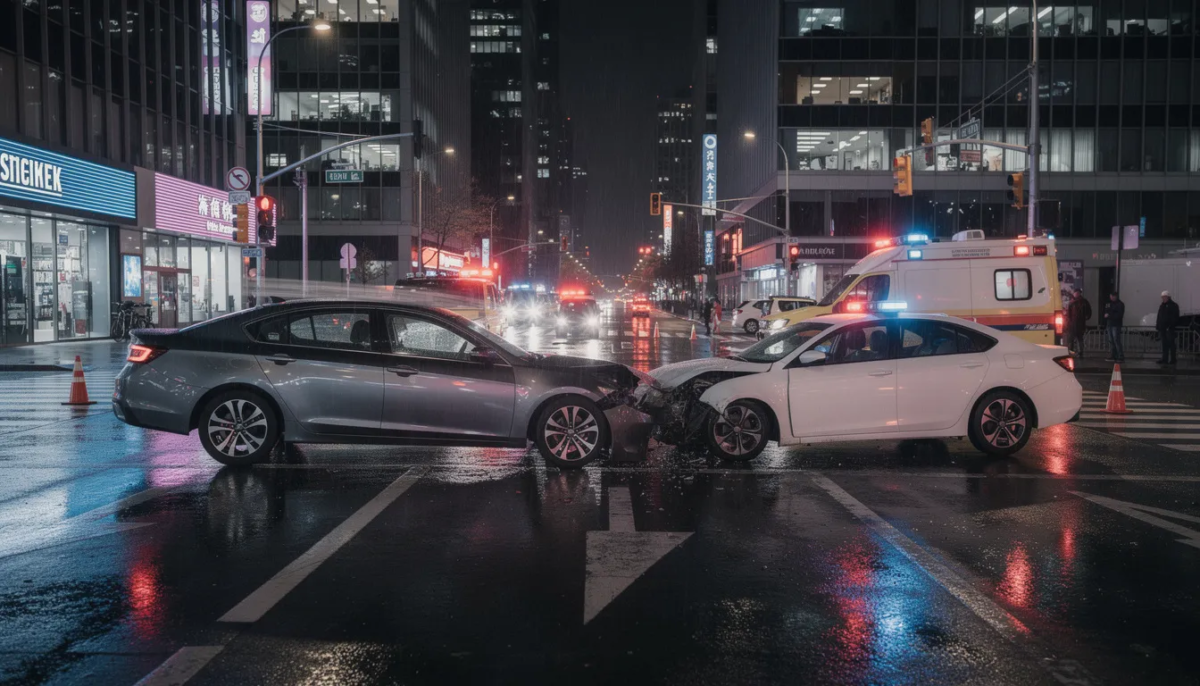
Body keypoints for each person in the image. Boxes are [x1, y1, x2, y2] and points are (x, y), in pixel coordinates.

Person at [1064, 288, 1091, 357]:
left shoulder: (1084, 302)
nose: (1076, 294)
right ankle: (1071, 352)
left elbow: (1089, 311)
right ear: (1074, 293)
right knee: (1071, 340)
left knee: (1080, 339)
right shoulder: (1071, 302)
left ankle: (1080, 352)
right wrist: (1068, 322)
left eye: (1078, 293)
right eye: (1075, 293)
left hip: (1080, 324)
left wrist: (1087, 317)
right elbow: (1068, 314)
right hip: (1072, 324)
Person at [1156, 290, 1181, 365]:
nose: (1163, 298)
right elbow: (1159, 316)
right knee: (1164, 345)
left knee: (1171, 344)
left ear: (1168, 297)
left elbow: (1175, 317)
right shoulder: (1162, 305)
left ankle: (1173, 359)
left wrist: (1170, 326)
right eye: (1162, 297)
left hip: (1169, 329)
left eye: (1164, 297)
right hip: (1163, 328)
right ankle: (1165, 359)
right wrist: (1158, 325)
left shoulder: (1173, 305)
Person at [1104, 291, 1125, 362]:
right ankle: (1113, 355)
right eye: (1110, 296)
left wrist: (1109, 315)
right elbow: (1106, 311)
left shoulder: (1120, 304)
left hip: (1116, 324)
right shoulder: (1109, 303)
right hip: (1110, 324)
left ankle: (1120, 356)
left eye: (1112, 296)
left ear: (1115, 296)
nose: (1111, 298)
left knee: (1116, 340)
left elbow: (1119, 315)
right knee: (1111, 340)